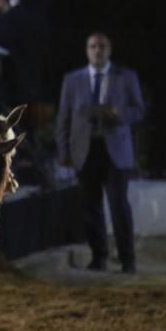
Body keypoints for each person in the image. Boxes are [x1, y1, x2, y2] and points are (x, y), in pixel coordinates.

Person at [57, 32, 146, 274]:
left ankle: (128, 260)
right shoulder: (72, 80)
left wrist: (119, 115)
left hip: (115, 151)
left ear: (110, 50)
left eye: (102, 46)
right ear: (87, 50)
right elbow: (64, 118)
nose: (97, 50)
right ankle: (98, 257)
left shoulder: (125, 77)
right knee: (90, 207)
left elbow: (139, 110)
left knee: (119, 206)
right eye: (93, 46)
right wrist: (64, 152)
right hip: (85, 151)